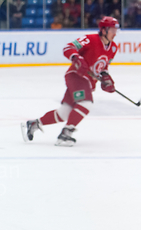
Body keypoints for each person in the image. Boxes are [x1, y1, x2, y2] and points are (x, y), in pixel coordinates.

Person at [22, 16, 119, 146]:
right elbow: (68, 47)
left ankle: (34, 124)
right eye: (112, 29)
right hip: (77, 76)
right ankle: (66, 134)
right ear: (103, 30)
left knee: (64, 113)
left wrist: (106, 78)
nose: (115, 33)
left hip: (88, 81)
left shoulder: (113, 48)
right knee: (86, 103)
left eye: (115, 29)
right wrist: (76, 57)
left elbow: (103, 66)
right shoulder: (90, 39)